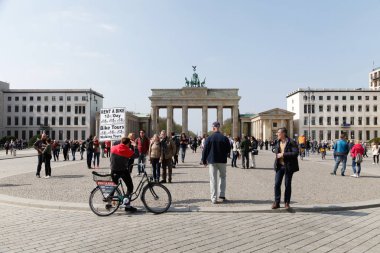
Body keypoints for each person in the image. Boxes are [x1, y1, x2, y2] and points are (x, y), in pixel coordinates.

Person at [202, 122, 231, 204]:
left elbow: (205, 150)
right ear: (219, 127)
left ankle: (213, 198)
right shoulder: (224, 138)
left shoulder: (209, 138)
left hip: (212, 161)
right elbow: (228, 149)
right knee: (223, 177)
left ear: (213, 128)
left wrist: (204, 160)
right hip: (222, 161)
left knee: (213, 179)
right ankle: (222, 194)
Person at [272, 128, 299, 209]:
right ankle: (277, 202)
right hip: (279, 166)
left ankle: (287, 202)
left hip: (288, 166)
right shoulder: (277, 141)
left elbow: (295, 153)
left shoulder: (291, 142)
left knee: (287, 185)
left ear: (283, 133)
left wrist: (283, 154)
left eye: (278, 133)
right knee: (277, 184)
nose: (277, 134)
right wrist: (274, 150)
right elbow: (274, 149)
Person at [110, 137, 137, 212]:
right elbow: (136, 155)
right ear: (128, 143)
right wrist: (135, 146)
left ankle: (110, 202)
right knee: (130, 187)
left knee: (114, 186)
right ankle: (127, 205)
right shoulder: (127, 150)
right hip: (122, 171)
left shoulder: (113, 147)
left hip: (113, 170)